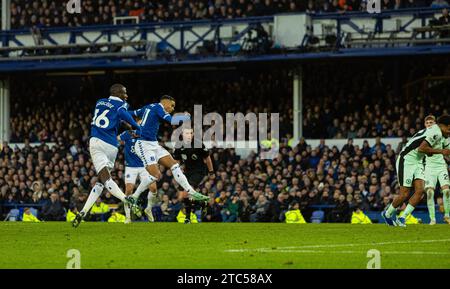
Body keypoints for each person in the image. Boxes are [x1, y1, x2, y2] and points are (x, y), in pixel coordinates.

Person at [72, 84, 142, 227]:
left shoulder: (100, 101)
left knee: (105, 179)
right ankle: (83, 212)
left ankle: (126, 200)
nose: (126, 95)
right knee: (101, 181)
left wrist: (129, 125)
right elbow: (123, 114)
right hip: (111, 145)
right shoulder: (122, 104)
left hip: (97, 142)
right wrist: (136, 126)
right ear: (117, 93)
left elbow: (115, 117)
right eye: (124, 93)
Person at [130, 95, 210, 204]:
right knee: (156, 175)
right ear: (166, 102)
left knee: (174, 165)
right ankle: (134, 196)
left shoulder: (148, 107)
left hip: (153, 144)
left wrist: (119, 114)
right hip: (143, 144)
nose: (172, 109)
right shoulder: (159, 108)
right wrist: (185, 117)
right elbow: (172, 120)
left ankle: (190, 191)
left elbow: (133, 113)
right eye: (172, 106)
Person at [382, 115, 450, 227]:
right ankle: (388, 214)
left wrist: (432, 151)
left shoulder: (436, 131)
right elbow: (421, 148)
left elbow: (424, 149)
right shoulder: (436, 132)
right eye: (449, 129)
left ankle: (402, 217)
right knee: (404, 193)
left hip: (417, 161)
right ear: (444, 126)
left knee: (420, 191)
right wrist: (441, 151)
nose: (449, 132)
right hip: (406, 159)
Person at [173, 128, 215, 224]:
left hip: (198, 171)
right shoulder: (179, 145)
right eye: (187, 133)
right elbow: (177, 161)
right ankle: (201, 203)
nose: (189, 135)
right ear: (182, 135)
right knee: (181, 197)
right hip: (186, 172)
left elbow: (207, 158)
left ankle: (187, 217)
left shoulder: (198, 144)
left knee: (187, 192)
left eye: (191, 133)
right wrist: (177, 172)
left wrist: (211, 172)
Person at [118, 129, 158, 223]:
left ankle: (148, 209)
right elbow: (117, 139)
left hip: (144, 166)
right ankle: (128, 217)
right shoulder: (127, 133)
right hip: (130, 167)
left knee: (153, 188)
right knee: (128, 190)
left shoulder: (146, 134)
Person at [422, 115, 450, 225]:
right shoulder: (425, 136)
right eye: (427, 123)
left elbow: (447, 150)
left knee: (447, 191)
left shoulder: (444, 135)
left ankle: (447, 216)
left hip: (441, 166)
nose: (429, 125)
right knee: (429, 192)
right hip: (429, 167)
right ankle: (432, 219)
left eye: (431, 123)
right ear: (425, 124)